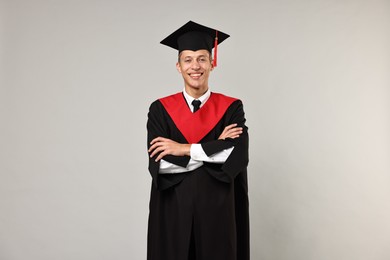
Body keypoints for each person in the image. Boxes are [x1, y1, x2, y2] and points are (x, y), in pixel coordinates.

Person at [146, 20, 249, 260]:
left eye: (202, 58)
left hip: (218, 213)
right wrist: (214, 148)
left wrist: (182, 149)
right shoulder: (160, 110)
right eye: (188, 59)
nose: (196, 66)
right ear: (178, 66)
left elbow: (236, 157)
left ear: (212, 64)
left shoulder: (231, 108)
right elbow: (161, 165)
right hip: (173, 213)